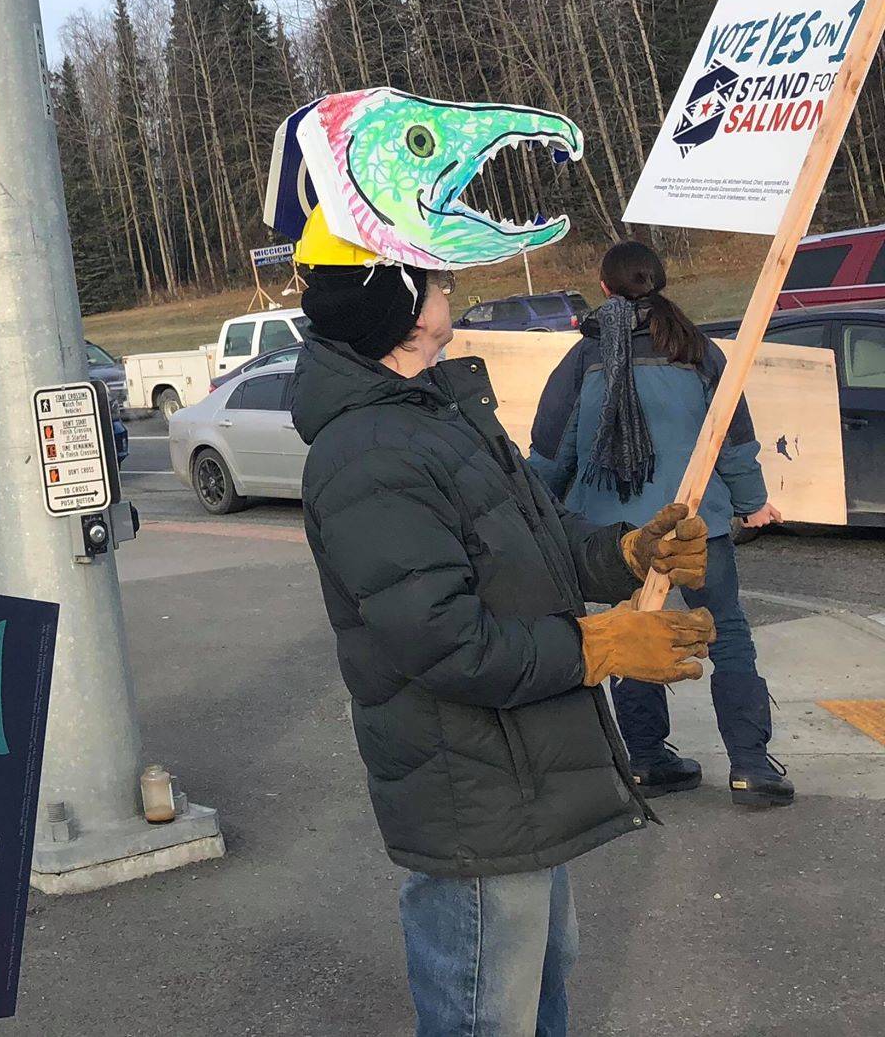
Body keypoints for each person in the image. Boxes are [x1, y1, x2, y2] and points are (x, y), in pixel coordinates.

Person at [289, 206, 715, 1037]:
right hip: (474, 796)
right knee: (488, 1017)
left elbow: (543, 541)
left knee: (539, 996)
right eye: (436, 275)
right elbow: (444, 642)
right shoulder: (369, 451)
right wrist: (601, 645)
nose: (450, 285)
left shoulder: (441, 413)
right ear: (401, 300)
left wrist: (630, 552)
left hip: (521, 783)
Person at [529, 239, 794, 809]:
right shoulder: (698, 351)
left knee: (634, 630)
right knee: (728, 634)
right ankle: (751, 768)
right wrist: (752, 503)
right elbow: (734, 441)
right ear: (662, 281)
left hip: (618, 534)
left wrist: (534, 511)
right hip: (698, 526)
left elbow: (552, 452)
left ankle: (648, 760)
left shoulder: (585, 357)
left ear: (603, 288)